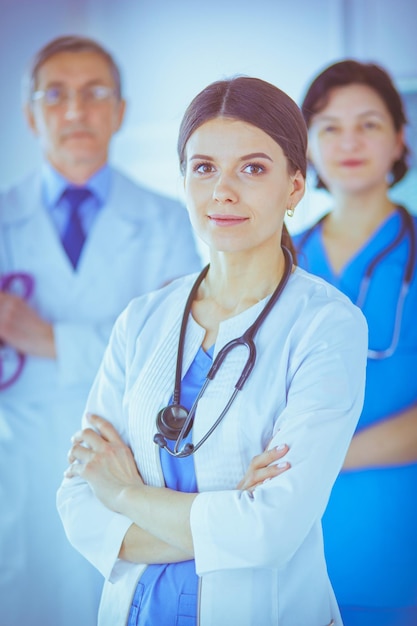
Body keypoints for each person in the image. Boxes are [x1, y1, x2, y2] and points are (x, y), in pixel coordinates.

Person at [57, 75, 368, 626]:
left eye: (253, 168)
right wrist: (224, 521)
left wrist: (124, 494)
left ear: (295, 186)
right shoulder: (142, 320)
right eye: (204, 168)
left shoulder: (326, 325)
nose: (223, 191)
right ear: (183, 179)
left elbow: (269, 534)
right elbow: (80, 503)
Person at [0, 35, 201, 626]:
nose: (75, 110)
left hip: (125, 462)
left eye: (94, 94)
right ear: (30, 112)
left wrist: (48, 339)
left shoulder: (167, 220)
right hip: (18, 457)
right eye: (55, 94)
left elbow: (171, 357)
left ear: (120, 112)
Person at [293, 60, 417, 626]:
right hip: (287, 536)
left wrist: (328, 457)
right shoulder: (276, 259)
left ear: (398, 139)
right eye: (329, 127)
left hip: (390, 532)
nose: (349, 142)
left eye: (368, 124)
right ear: (306, 147)